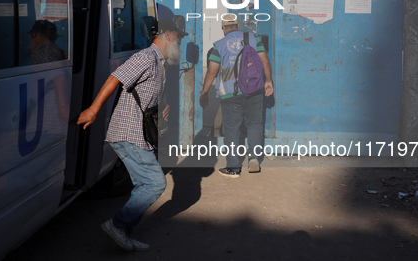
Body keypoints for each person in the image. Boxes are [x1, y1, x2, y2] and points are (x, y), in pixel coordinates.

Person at [77, 18, 187, 251]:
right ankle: (117, 225)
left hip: (139, 132)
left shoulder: (160, 63)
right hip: (128, 131)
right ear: (168, 34)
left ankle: (124, 232)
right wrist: (93, 109)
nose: (180, 42)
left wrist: (162, 105)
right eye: (179, 37)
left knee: (143, 187)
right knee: (156, 184)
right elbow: (115, 78)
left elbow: (147, 94)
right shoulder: (145, 57)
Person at [199, 19, 274, 179]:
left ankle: (233, 168)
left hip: (230, 93)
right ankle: (254, 158)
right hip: (254, 90)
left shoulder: (219, 45)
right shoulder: (253, 39)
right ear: (237, 26)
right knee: (254, 124)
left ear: (223, 27)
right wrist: (268, 82)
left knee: (232, 129)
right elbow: (265, 61)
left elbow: (211, 72)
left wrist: (204, 92)